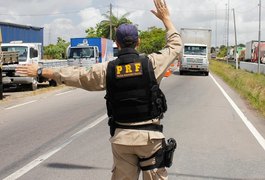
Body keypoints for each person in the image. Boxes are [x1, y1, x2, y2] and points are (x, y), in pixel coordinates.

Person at [16, 0, 182, 179]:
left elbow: (76, 75)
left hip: (122, 138)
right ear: (138, 42)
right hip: (150, 139)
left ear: (117, 43)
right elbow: (175, 46)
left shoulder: (107, 70)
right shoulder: (152, 64)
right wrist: (166, 19)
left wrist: (41, 71)